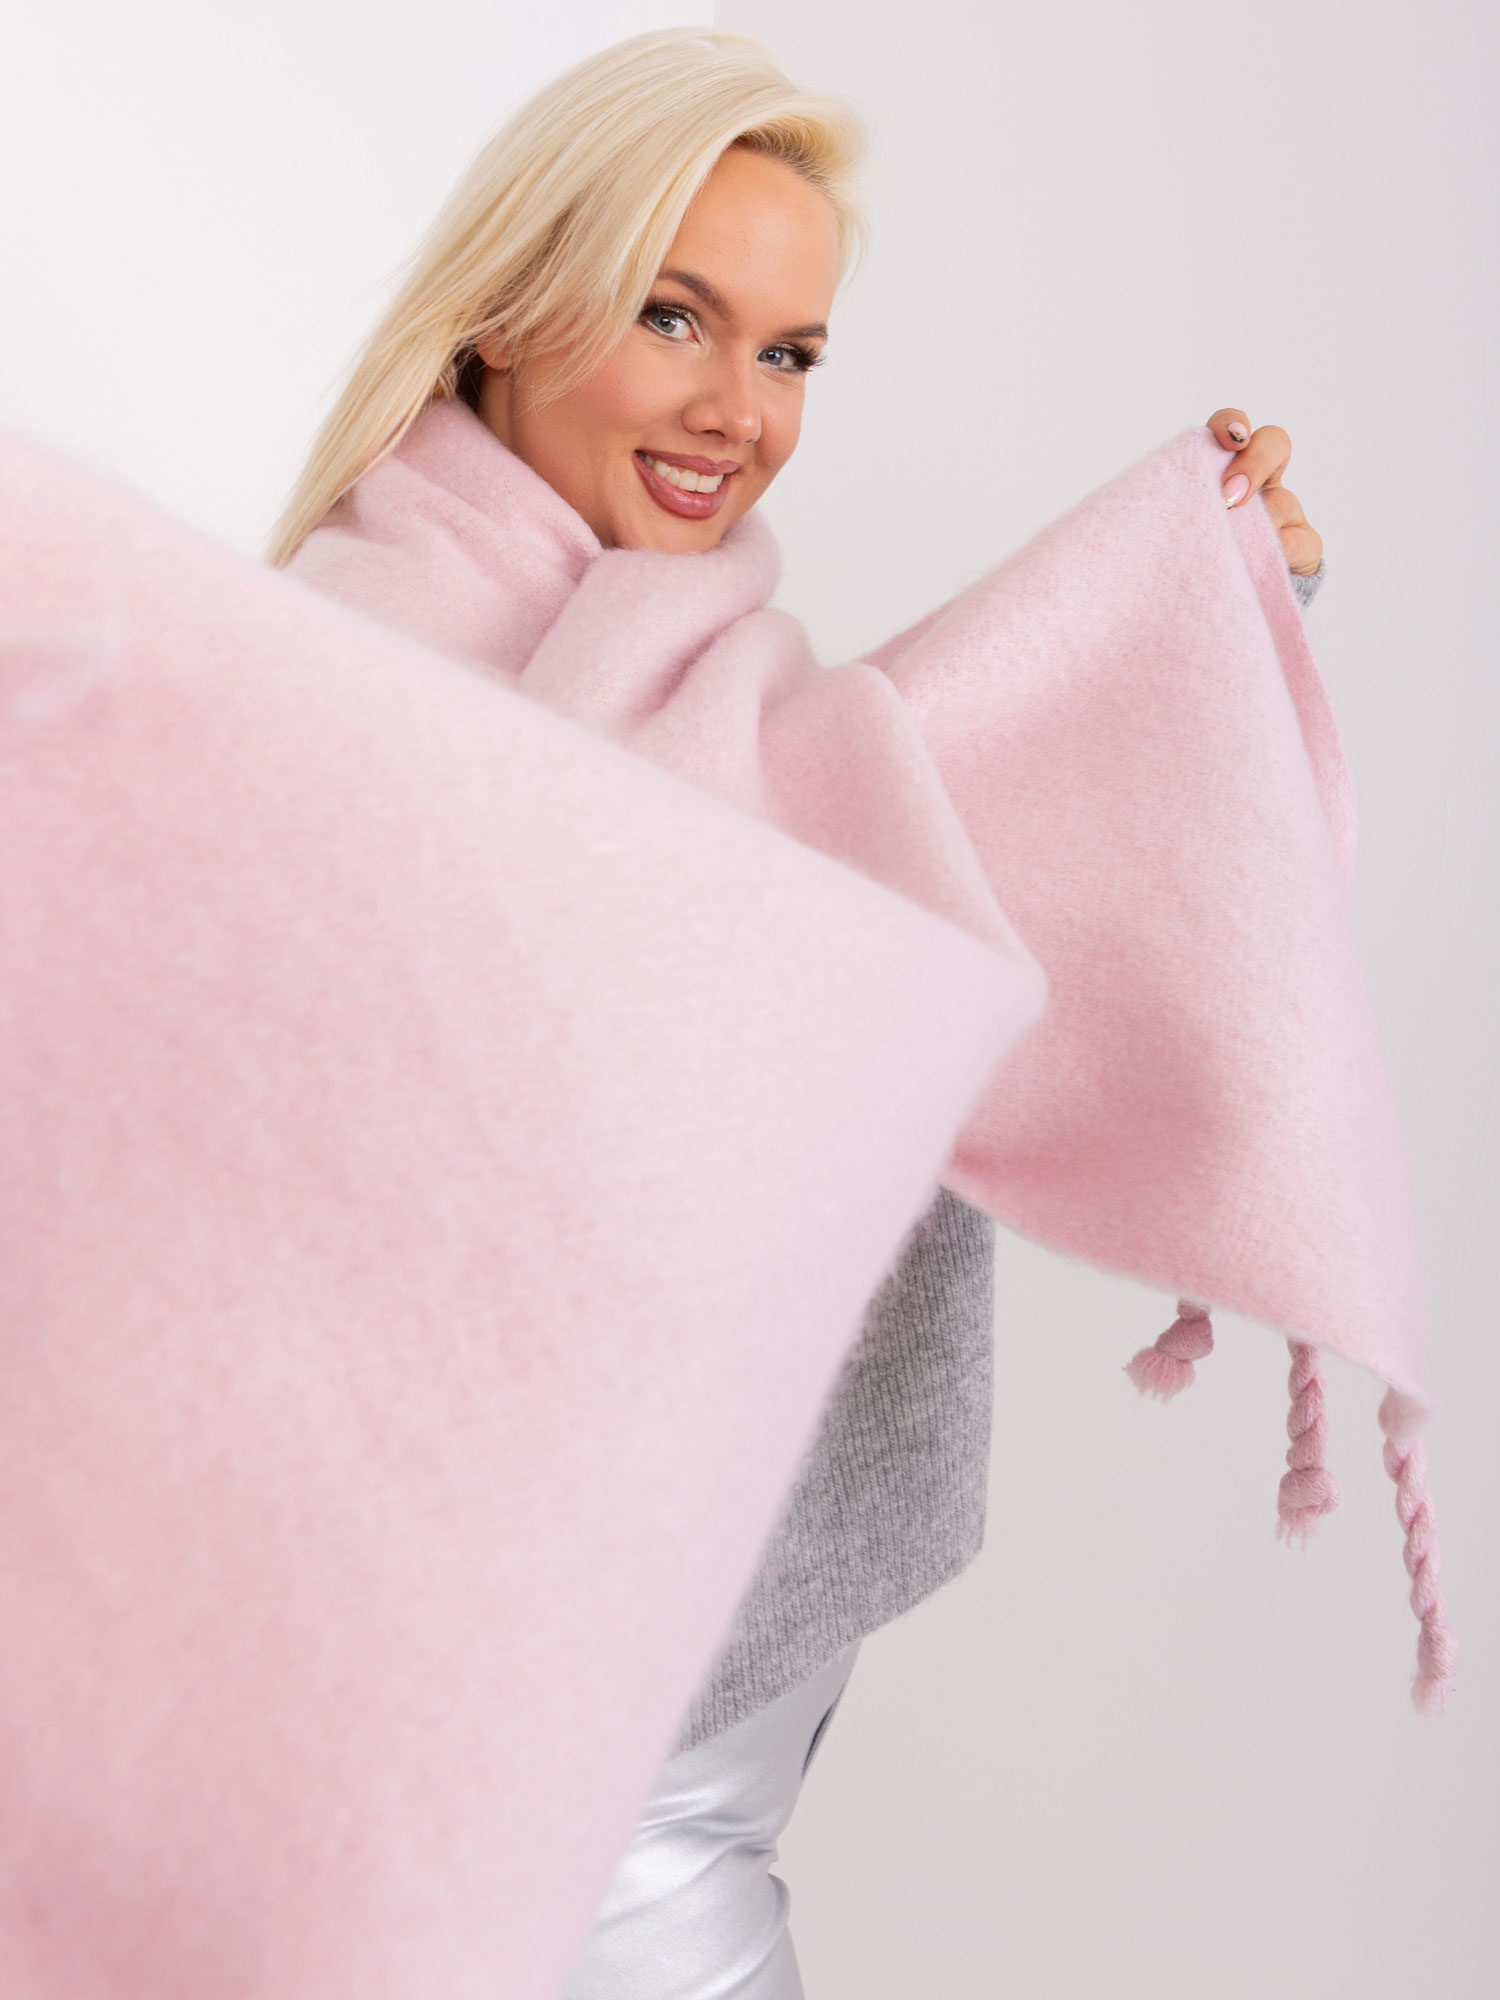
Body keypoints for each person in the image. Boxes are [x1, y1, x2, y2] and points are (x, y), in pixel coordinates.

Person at [270, 28, 1325, 1997]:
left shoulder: (695, 695)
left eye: (791, 352)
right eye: (674, 316)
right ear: (507, 308)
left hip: (672, 1747)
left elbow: (910, 863)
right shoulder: (343, 685)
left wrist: (1209, 613)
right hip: (495, 1756)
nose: (737, 410)